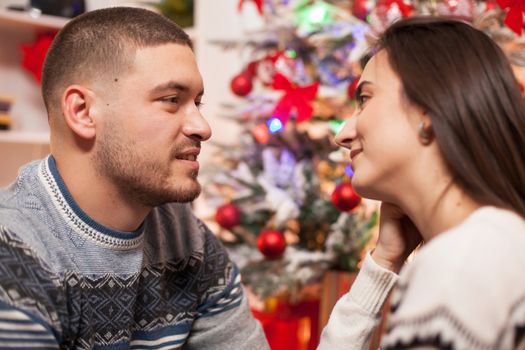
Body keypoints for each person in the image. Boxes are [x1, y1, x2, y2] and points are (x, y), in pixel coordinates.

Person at [0, 7, 269, 349]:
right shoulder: (14, 253)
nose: (203, 127)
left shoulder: (189, 241)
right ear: (83, 112)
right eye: (172, 100)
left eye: (197, 103)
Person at [318, 16, 525, 350]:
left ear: (429, 107)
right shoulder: (493, 245)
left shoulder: (460, 262)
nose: (343, 134)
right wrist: (384, 260)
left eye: (366, 99)